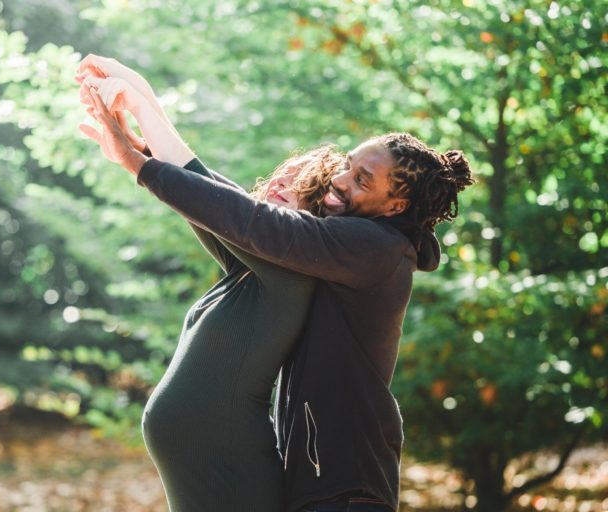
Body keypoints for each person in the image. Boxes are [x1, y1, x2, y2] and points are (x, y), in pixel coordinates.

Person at [77, 55, 475, 512]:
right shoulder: (345, 251)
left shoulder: (375, 248)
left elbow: (256, 222)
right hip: (317, 484)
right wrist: (143, 119)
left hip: (346, 489)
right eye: (347, 166)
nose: (341, 181)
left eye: (362, 180)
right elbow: (222, 203)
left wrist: (141, 165)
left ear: (395, 206)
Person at [78, 63, 352, 511]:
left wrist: (140, 119)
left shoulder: (291, 275)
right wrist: (138, 109)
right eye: (283, 174)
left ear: (318, 212)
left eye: (301, 185)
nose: (282, 183)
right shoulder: (248, 266)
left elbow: (201, 187)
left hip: (233, 478)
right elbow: (197, 185)